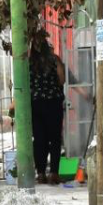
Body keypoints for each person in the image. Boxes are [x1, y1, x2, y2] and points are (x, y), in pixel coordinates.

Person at [30, 37, 66, 184]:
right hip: (53, 103)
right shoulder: (54, 59)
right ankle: (54, 173)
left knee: (39, 139)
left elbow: (25, 82)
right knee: (55, 138)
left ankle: (40, 173)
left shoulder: (29, 62)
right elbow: (62, 79)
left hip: (36, 104)